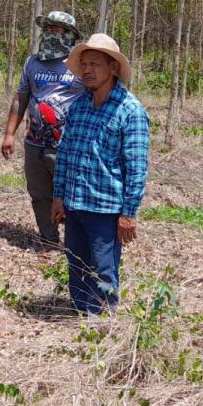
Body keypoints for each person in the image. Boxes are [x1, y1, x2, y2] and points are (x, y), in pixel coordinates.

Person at [50, 33, 149, 315]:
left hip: (105, 209)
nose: (87, 70)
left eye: (94, 64)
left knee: (103, 270)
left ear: (112, 68)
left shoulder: (130, 111)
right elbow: (66, 154)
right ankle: (82, 317)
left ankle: (104, 323)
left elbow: (136, 167)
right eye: (84, 65)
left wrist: (128, 213)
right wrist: (58, 196)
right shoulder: (80, 105)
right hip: (75, 204)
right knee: (76, 265)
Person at [0, 11, 87, 247]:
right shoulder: (32, 62)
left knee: (71, 197)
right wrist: (9, 134)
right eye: (46, 29)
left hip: (68, 147)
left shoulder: (80, 65)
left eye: (55, 29)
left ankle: (75, 245)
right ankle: (48, 240)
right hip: (35, 144)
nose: (49, 33)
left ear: (69, 34)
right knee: (39, 195)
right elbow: (21, 98)